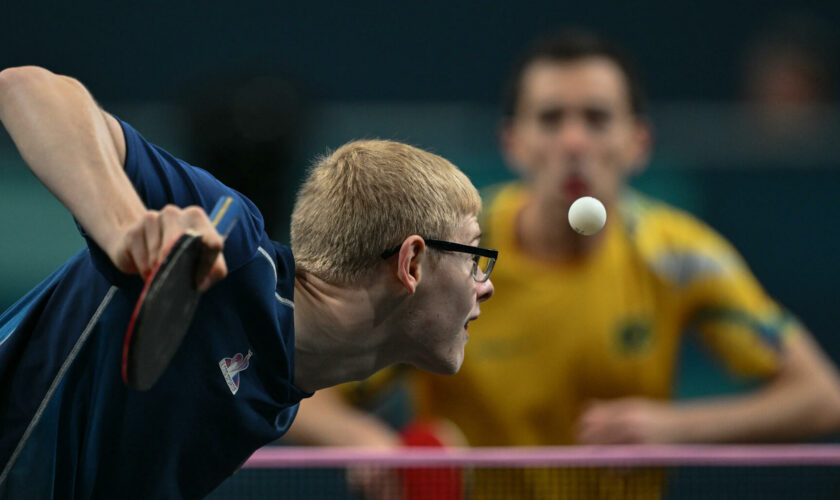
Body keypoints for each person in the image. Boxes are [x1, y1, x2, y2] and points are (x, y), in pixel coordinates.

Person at [286, 28, 840, 496]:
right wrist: (374, 444)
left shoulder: (680, 256)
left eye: (597, 119)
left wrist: (676, 427)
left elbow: (821, 397)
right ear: (513, 141)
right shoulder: (450, 254)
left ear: (638, 141)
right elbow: (304, 385)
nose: (574, 141)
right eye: (551, 120)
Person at [0, 65, 494, 499]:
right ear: (412, 264)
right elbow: (25, 89)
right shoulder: (233, 249)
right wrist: (127, 228)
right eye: (475, 255)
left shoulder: (282, 390)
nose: (484, 285)